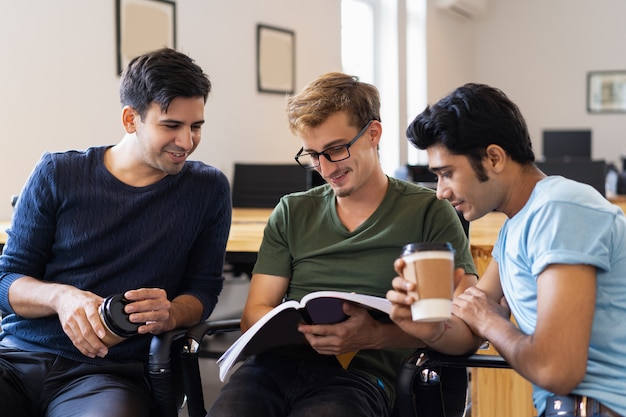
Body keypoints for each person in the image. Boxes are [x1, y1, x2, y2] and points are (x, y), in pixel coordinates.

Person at [207, 72, 477, 417]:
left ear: (373, 134)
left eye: (335, 150)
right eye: (313, 155)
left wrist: (373, 336)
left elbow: (463, 326)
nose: (324, 167)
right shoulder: (292, 210)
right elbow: (255, 314)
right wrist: (308, 331)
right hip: (270, 371)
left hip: (359, 377)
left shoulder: (428, 211)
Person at [0, 48, 231, 417]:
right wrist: (61, 298)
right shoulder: (57, 173)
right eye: (171, 125)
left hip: (108, 376)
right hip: (18, 358)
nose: (186, 142)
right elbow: (6, 279)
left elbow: (203, 291)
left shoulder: (208, 189)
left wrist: (171, 313)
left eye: (196, 126)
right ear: (130, 119)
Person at [387, 83, 626, 417]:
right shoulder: (515, 227)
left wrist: (490, 323)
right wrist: (431, 327)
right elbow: (468, 325)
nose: (440, 192)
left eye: (447, 174)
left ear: (494, 158)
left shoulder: (559, 209)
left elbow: (557, 370)